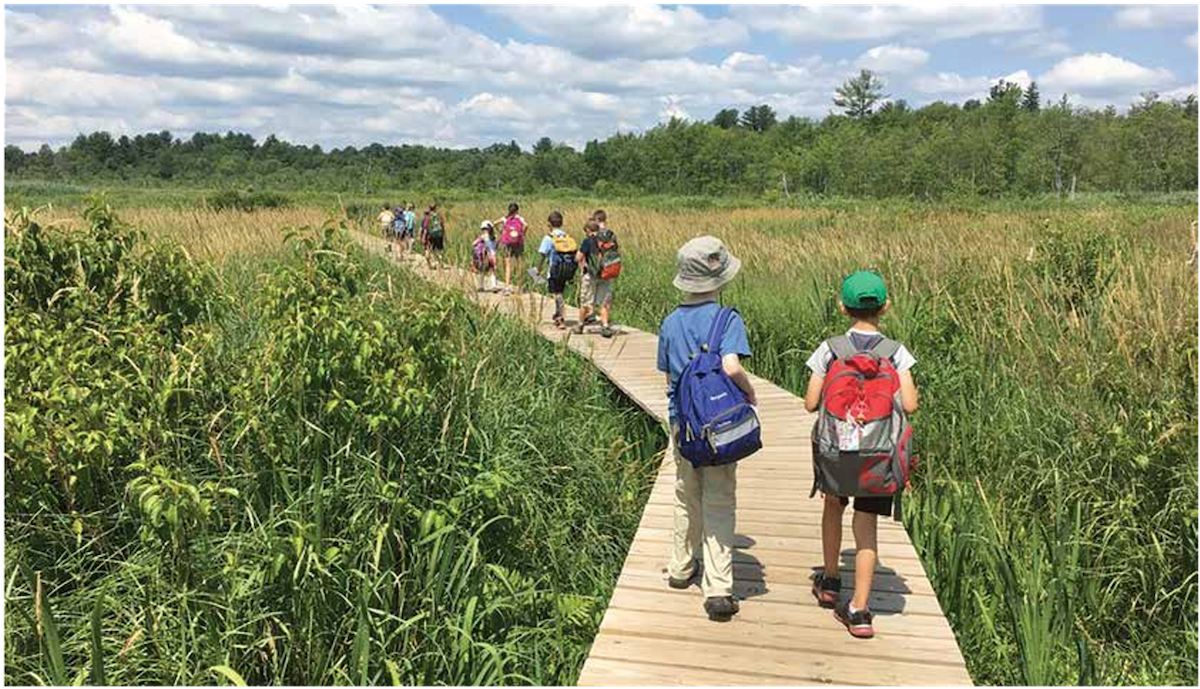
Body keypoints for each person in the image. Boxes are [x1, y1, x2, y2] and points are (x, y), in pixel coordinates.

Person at [803, 270, 919, 639]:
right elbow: (912, 404)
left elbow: (810, 403)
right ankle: (860, 609)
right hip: (877, 454)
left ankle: (831, 582)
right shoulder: (896, 352)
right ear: (886, 306)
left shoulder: (830, 348)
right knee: (866, 527)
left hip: (837, 451)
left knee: (833, 506)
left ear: (842, 306)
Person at [656, 236, 756, 622]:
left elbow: (669, 378)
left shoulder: (669, 322)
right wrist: (750, 394)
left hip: (683, 425)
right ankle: (717, 589)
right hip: (718, 428)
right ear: (718, 280)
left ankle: (681, 568)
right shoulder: (727, 319)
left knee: (685, 495)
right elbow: (731, 366)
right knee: (719, 501)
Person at [573, 211, 618, 338]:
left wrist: (581, 259)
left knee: (586, 301)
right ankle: (605, 326)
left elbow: (578, 257)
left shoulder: (588, 241)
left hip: (591, 276)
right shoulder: (608, 239)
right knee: (604, 302)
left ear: (588, 230)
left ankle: (580, 325)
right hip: (606, 274)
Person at [536, 210, 578, 329]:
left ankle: (560, 319)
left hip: (554, 270)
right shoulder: (567, 237)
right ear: (561, 223)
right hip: (566, 270)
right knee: (560, 292)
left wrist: (538, 270)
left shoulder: (549, 238)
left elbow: (542, 255)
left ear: (549, 224)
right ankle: (557, 314)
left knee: (557, 294)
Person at [498, 202, 527, 295]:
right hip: (519, 243)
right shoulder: (520, 219)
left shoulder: (505, 219)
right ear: (517, 210)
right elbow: (526, 225)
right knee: (519, 264)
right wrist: (522, 234)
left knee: (508, 265)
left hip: (507, 244)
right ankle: (519, 286)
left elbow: (494, 223)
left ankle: (507, 287)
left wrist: (501, 232)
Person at [472, 220, 498, 292]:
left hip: (485, 256)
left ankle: (481, 286)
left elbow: (473, 244)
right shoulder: (495, 237)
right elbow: (496, 247)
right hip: (493, 256)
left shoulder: (483, 237)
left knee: (482, 271)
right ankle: (494, 286)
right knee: (492, 271)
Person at [422, 204, 447, 270]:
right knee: (439, 250)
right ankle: (441, 264)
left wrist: (423, 237)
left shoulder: (428, 217)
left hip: (431, 236)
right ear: (436, 208)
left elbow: (425, 229)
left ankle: (429, 265)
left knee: (429, 249)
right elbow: (443, 227)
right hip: (439, 235)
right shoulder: (439, 216)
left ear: (429, 209)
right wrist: (444, 236)